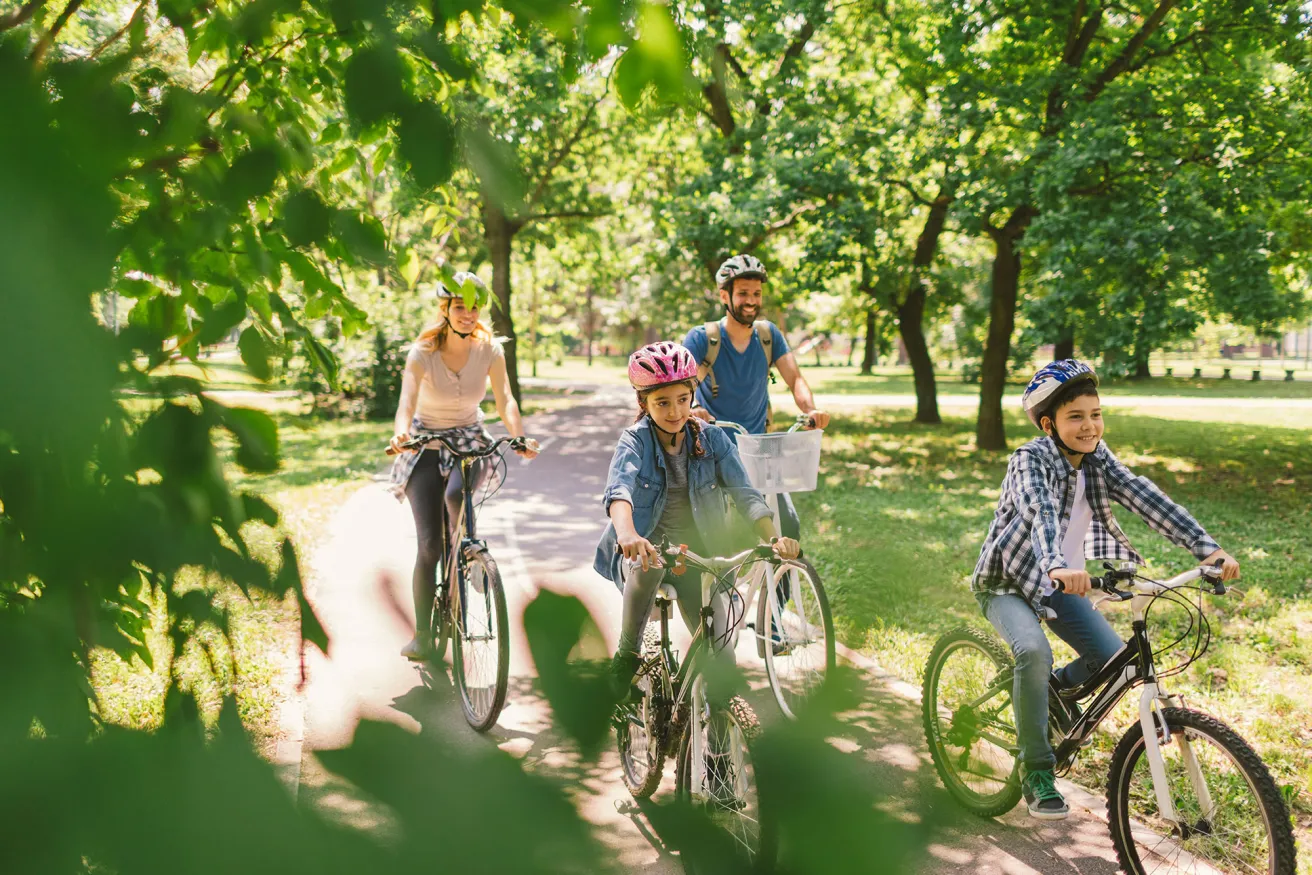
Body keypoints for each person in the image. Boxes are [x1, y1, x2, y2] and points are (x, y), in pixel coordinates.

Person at [972, 359, 1240, 819]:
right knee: (1033, 652)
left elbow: (1145, 496)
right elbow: (1040, 513)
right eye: (1075, 416)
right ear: (1048, 423)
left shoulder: (1099, 459)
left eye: (1095, 414)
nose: (1089, 425)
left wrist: (1206, 549)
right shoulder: (1029, 460)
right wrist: (1058, 564)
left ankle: (1045, 695)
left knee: (1113, 660)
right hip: (1009, 582)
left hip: (1059, 581)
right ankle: (1036, 770)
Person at [594, 342, 800, 694]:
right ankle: (627, 654)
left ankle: (720, 745)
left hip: (695, 555)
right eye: (662, 402)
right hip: (644, 550)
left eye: (682, 400)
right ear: (644, 403)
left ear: (692, 396)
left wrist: (772, 538)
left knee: (722, 661)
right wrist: (627, 534)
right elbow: (619, 492)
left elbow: (745, 494)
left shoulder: (713, 439)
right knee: (650, 564)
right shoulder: (635, 441)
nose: (675, 411)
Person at [388, 272, 538, 660]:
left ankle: (469, 554)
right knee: (428, 549)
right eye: (459, 307)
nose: (468, 314)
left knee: (458, 493)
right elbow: (406, 401)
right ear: (445, 310)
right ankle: (423, 635)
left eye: (474, 307)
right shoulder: (422, 352)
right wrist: (401, 433)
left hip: (470, 438)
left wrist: (518, 435)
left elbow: (505, 399)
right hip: (424, 443)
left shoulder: (490, 350)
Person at [681, 254, 830, 543]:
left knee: (787, 527)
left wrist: (811, 410)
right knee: (713, 537)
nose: (751, 301)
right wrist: (696, 407)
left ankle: (781, 588)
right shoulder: (703, 339)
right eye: (743, 294)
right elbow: (684, 388)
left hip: (758, 450)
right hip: (713, 451)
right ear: (725, 296)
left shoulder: (768, 335)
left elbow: (794, 378)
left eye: (757, 294)